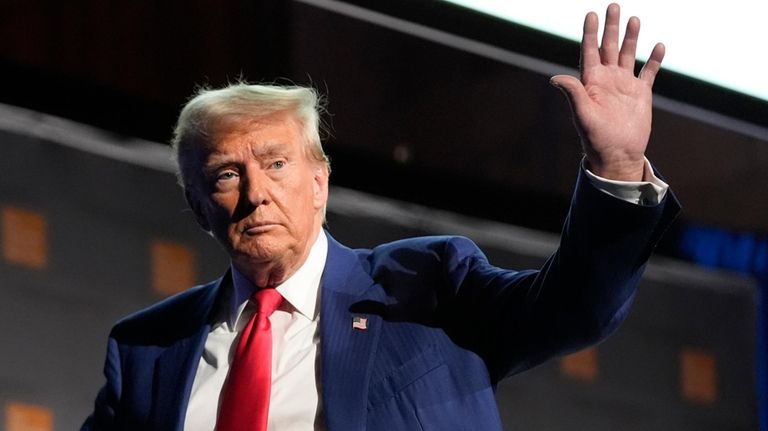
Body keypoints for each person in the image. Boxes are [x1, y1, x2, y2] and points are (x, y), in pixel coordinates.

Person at [82, 4, 680, 430]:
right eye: (225, 175)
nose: (255, 194)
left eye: (276, 164)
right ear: (195, 205)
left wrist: (619, 164)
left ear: (320, 182)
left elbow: (575, 310)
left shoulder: (427, 285)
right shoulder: (146, 350)